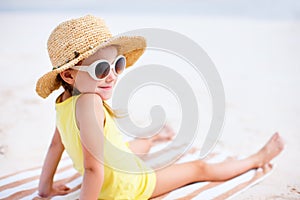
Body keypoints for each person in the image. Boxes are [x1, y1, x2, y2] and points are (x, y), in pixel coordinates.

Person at [35, 15, 284, 200]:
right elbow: (91, 169)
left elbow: (56, 145)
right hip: (123, 188)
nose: (112, 76)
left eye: (117, 65)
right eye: (101, 69)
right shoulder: (90, 103)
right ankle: (257, 159)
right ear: (68, 76)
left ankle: (155, 136)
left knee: (131, 148)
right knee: (199, 168)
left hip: (117, 167)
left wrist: (44, 188)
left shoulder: (63, 103)